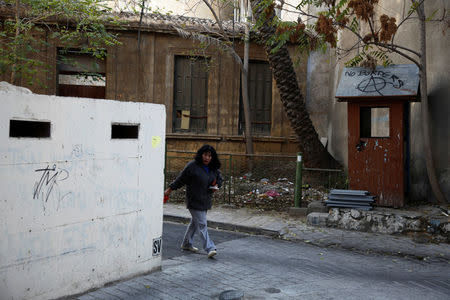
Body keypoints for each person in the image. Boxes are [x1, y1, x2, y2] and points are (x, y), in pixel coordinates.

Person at [164, 144, 223, 258]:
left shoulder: (213, 168)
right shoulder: (192, 166)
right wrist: (170, 189)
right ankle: (210, 248)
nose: (207, 158)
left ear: (212, 158)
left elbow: (219, 179)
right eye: (205, 155)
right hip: (194, 200)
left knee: (195, 223)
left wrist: (216, 185)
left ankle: (186, 243)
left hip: (205, 200)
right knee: (202, 224)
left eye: (210, 156)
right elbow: (181, 179)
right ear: (201, 154)